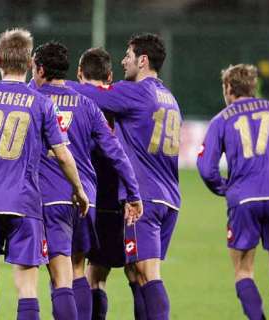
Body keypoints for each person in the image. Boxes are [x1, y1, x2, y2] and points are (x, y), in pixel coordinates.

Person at [0, 28, 89, 320]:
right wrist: (79, 189)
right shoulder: (41, 103)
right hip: (24, 203)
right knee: (27, 284)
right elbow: (62, 154)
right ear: (29, 63)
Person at [31, 42, 142, 320]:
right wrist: (133, 193)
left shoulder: (31, 97)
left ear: (40, 70)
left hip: (45, 195)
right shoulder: (87, 104)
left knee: (58, 275)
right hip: (84, 201)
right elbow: (116, 153)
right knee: (78, 268)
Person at [83, 33, 182, 320]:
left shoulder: (137, 91)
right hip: (169, 198)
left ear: (143, 60)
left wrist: (55, 86)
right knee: (136, 272)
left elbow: (91, 94)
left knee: (147, 274)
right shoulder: (169, 97)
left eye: (128, 54)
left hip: (145, 199)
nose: (124, 60)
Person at [197, 64, 269, 320]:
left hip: (243, 199)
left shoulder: (221, 119)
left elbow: (207, 168)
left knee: (244, 271)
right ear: (252, 87)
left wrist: (227, 189)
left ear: (229, 87)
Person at [75, 47, 143, 319]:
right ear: (110, 76)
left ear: (80, 73)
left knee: (89, 273)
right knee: (137, 272)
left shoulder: (76, 100)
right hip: (122, 195)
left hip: (87, 197)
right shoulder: (120, 100)